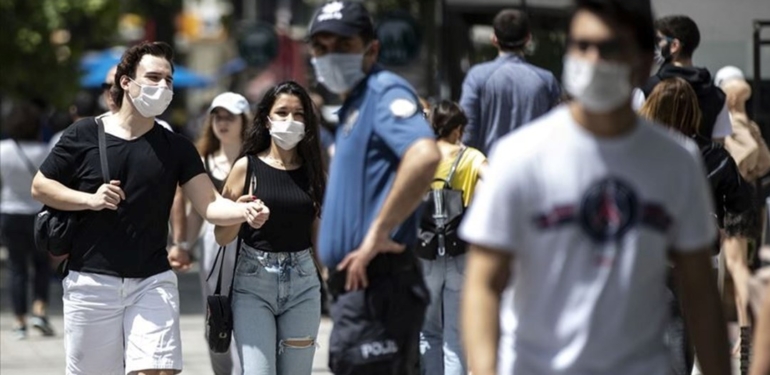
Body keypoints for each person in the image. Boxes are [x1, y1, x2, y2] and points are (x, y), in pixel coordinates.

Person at [459, 1, 731, 375]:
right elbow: (483, 282)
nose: (592, 59)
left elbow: (700, 292)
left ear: (642, 62)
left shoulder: (676, 162)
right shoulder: (520, 156)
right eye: (582, 46)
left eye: (609, 47)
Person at [30, 41, 266, 375]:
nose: (163, 86)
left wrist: (244, 210)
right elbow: (40, 186)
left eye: (168, 80)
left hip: (152, 280)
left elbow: (211, 206)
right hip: (91, 281)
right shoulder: (84, 133)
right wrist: (90, 199)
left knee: (157, 370)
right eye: (153, 77)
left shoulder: (176, 147)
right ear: (126, 82)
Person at [307, 1, 442, 374]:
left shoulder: (384, 91)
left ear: (372, 49)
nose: (330, 55)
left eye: (344, 45)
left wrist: (375, 236)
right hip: (357, 289)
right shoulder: (355, 103)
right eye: (321, 47)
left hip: (378, 283)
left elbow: (424, 156)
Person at [639, 76, 755, 375]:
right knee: (687, 336)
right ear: (694, 111)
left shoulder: (638, 151)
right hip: (701, 256)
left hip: (646, 255)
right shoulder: (714, 156)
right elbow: (742, 202)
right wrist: (727, 230)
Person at [214, 81, 326, 375]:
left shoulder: (314, 171)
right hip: (253, 283)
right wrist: (241, 213)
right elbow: (221, 235)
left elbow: (317, 236)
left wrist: (331, 278)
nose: (290, 121)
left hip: (303, 283)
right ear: (267, 119)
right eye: (282, 112)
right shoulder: (246, 167)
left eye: (298, 114)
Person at [418, 100, 486, 375]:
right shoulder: (471, 157)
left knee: (428, 332)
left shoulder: (422, 155)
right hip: (461, 255)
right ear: (458, 128)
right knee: (456, 336)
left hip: (426, 253)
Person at [186, 92, 251, 375]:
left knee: (248, 309)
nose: (222, 123)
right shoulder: (202, 159)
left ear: (244, 121)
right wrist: (182, 245)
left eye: (230, 117)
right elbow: (191, 210)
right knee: (217, 312)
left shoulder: (257, 158)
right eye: (217, 116)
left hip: (251, 243)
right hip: (213, 246)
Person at [459, 8, 561, 155]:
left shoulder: (477, 76)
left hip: (488, 171)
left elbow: (467, 131)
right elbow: (557, 132)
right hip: (532, 172)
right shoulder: (546, 80)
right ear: (528, 39)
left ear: (494, 39)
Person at [0, 102, 55, 340]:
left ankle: (19, 321)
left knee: (16, 268)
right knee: (42, 265)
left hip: (9, 213)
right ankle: (39, 311)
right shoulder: (44, 152)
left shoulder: (2, 150)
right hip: (38, 214)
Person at [637, 15, 732, 143]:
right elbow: (719, 143)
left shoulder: (646, 88)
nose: (654, 45)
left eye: (658, 40)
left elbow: (630, 135)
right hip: (701, 162)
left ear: (674, 45)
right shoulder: (717, 95)